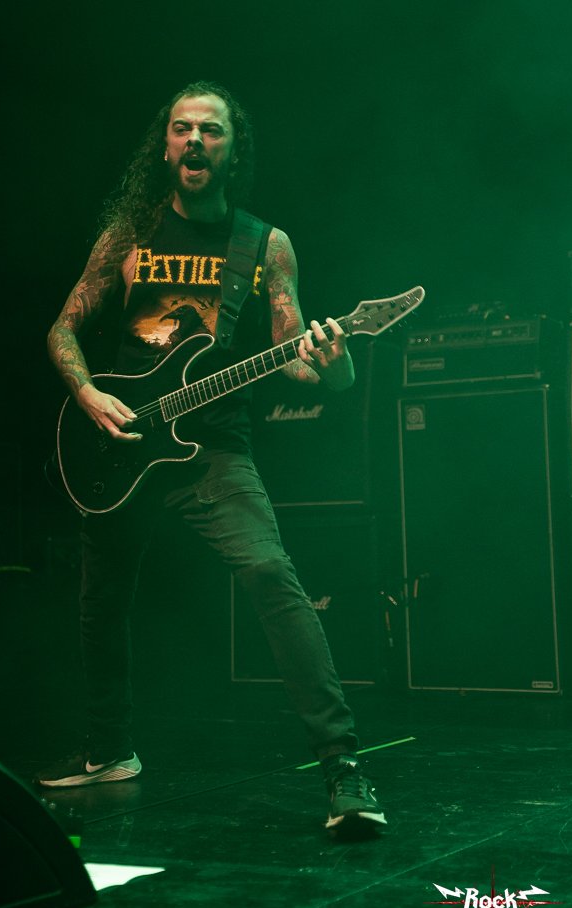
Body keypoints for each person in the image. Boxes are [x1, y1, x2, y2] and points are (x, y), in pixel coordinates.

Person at [38, 80, 385, 833]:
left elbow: (298, 360)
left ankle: (343, 769)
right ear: (165, 146)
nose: (194, 139)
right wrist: (89, 393)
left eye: (211, 130)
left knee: (270, 574)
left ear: (232, 150)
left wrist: (335, 360)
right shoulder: (128, 236)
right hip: (124, 442)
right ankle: (108, 751)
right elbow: (62, 329)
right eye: (182, 128)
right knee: (101, 604)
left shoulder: (263, 245)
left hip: (213, 449)